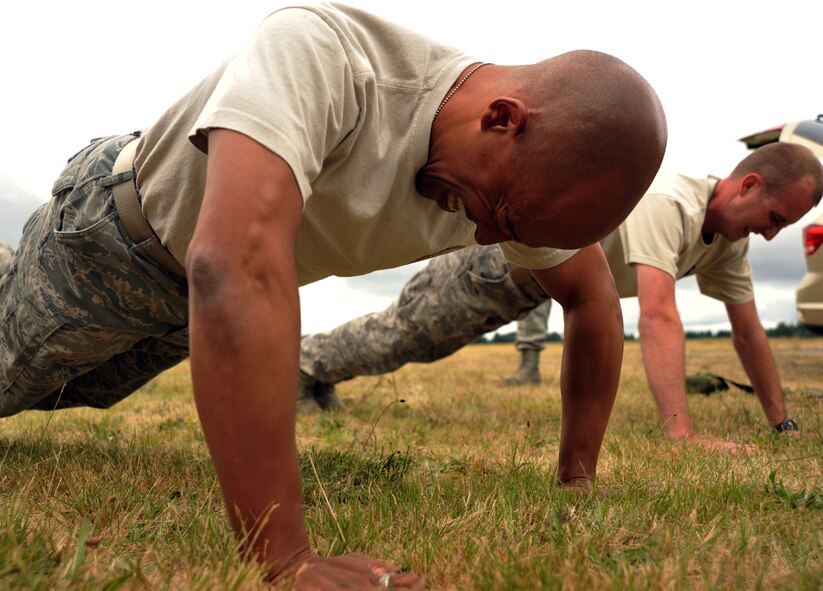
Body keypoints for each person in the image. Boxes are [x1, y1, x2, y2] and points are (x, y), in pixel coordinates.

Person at [0, 4, 668, 588]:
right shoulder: (327, 54)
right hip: (111, 239)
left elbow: (591, 301)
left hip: (185, 309)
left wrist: (576, 475)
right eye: (502, 215)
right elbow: (234, 262)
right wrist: (284, 558)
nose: (487, 236)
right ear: (502, 119)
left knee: (75, 393)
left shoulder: (527, 184)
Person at [299, 142, 823, 451]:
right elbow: (658, 315)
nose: (772, 235)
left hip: (563, 282)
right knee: (408, 335)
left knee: (414, 341)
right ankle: (303, 366)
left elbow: (749, 332)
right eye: (775, 219)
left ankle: (315, 376)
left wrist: (783, 424)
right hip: (507, 263)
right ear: (748, 185)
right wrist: (681, 436)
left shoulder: (727, 241)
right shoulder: (672, 204)